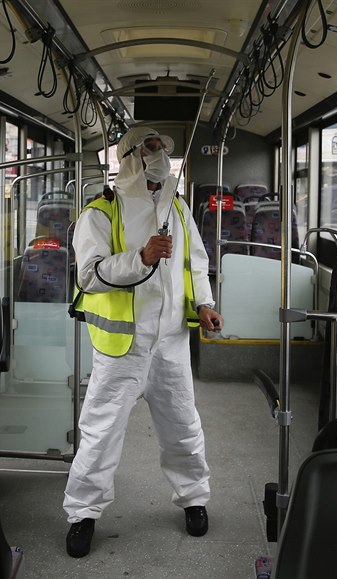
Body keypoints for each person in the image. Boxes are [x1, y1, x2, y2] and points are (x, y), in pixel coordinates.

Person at [64, 126, 223, 558]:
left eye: (165, 149)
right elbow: (89, 275)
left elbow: (195, 264)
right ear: (130, 156)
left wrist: (204, 304)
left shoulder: (178, 207)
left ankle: (194, 499)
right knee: (100, 434)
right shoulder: (102, 211)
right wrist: (142, 259)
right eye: (153, 147)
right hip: (123, 348)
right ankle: (83, 514)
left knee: (183, 428)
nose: (161, 155)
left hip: (171, 342)